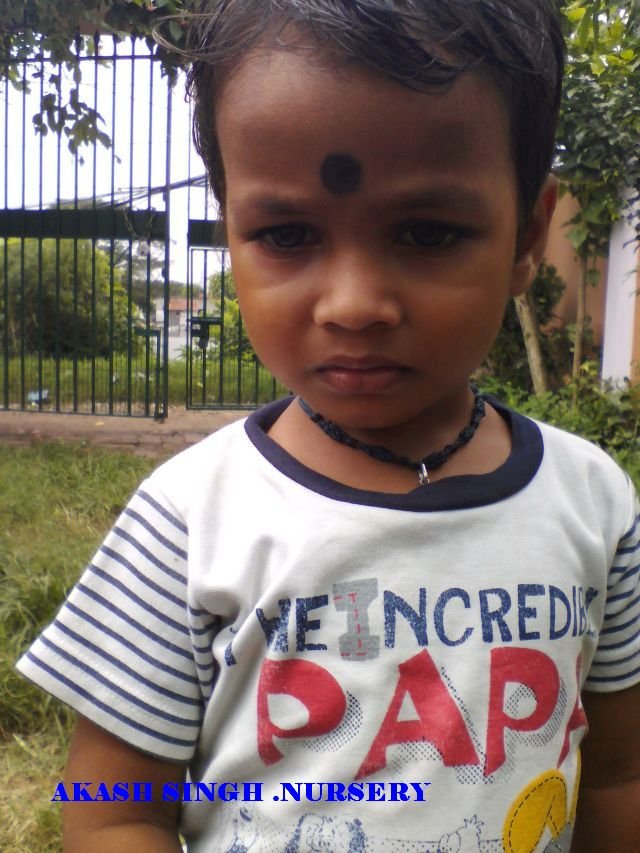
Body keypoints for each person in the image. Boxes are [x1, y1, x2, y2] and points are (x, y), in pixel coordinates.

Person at [17, 1, 640, 850]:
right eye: (287, 233)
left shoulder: (595, 505)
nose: (353, 305)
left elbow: (617, 775)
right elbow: (113, 807)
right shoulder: (190, 520)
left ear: (528, 235)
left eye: (427, 232)